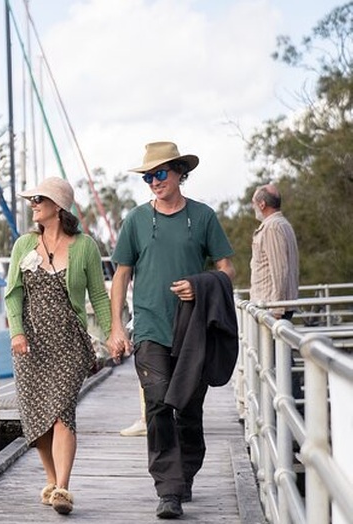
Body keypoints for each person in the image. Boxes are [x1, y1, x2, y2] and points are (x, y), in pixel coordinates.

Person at [106, 142, 236, 519]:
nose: (154, 182)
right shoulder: (135, 220)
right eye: (148, 177)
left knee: (189, 411)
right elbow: (121, 275)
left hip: (193, 330)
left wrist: (202, 283)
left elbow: (227, 269)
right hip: (149, 327)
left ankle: (186, 473)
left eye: (160, 174)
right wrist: (118, 326)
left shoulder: (204, 216)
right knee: (159, 404)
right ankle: (168, 490)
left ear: (180, 173)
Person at [4, 176, 112, 515]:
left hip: (69, 342)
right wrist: (17, 333)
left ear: (58, 207)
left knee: (62, 414)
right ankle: (51, 480)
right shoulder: (23, 245)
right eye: (33, 199)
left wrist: (112, 334)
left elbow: (98, 294)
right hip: (31, 344)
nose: (33, 204)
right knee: (38, 417)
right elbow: (13, 294)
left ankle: (63, 486)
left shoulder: (85, 247)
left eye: (40, 199)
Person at [250, 184, 299, 319]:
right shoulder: (282, 224)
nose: (252, 206)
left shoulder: (272, 227)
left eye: (254, 202)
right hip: (274, 306)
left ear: (262, 204)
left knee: (271, 341)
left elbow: (279, 270)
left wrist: (277, 309)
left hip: (272, 309)